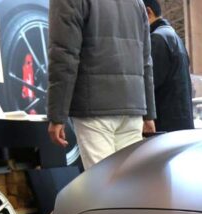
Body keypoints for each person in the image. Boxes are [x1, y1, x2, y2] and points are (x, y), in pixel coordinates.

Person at [47, 0, 156, 169]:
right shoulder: (137, 2)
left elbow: (64, 57)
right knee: (130, 180)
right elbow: (146, 60)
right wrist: (149, 114)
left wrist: (57, 116)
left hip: (94, 108)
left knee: (102, 181)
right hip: (132, 107)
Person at [144, 0, 194, 132]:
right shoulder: (173, 37)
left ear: (148, 12)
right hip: (180, 125)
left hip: (164, 127)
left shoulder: (157, 39)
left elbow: (149, 84)